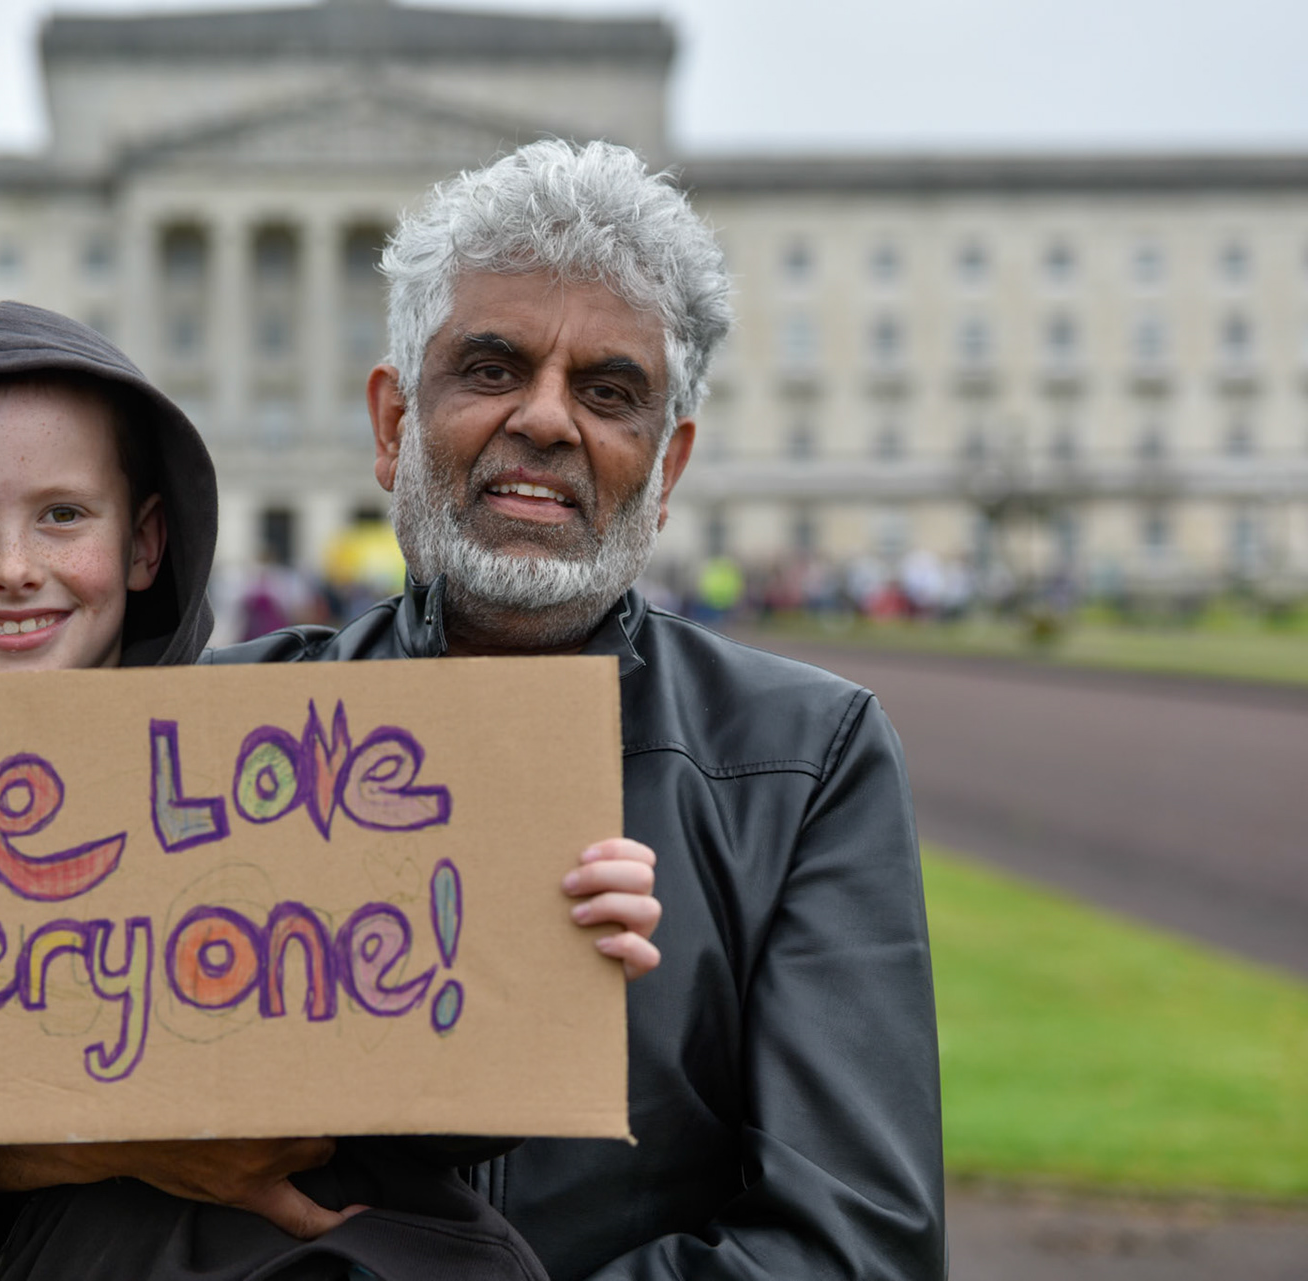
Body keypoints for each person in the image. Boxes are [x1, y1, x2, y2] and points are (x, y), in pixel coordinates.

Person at [0, 301, 662, 1280]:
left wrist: (557, 936)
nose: (13, 568)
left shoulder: (293, 751)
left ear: (143, 543)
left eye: (61, 516)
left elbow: (451, 1101)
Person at [197, 141, 946, 1279]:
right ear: (395, 423)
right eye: (491, 369)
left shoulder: (803, 758)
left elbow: (854, 1247)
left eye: (609, 392)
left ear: (667, 463)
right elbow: (7, 1159)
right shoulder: (212, 729)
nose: (547, 421)